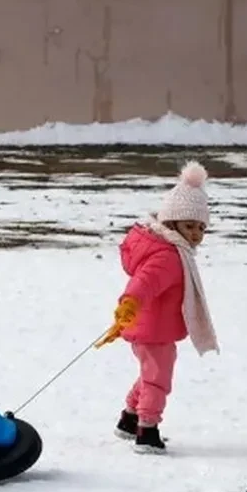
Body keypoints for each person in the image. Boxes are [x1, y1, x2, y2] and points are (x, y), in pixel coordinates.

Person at [99, 161, 219, 454]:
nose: (195, 234)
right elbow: (143, 284)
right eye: (189, 226)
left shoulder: (174, 251)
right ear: (171, 222)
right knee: (158, 379)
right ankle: (147, 431)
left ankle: (129, 419)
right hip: (151, 329)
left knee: (150, 374)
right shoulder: (167, 257)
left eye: (201, 228)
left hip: (153, 328)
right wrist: (128, 305)